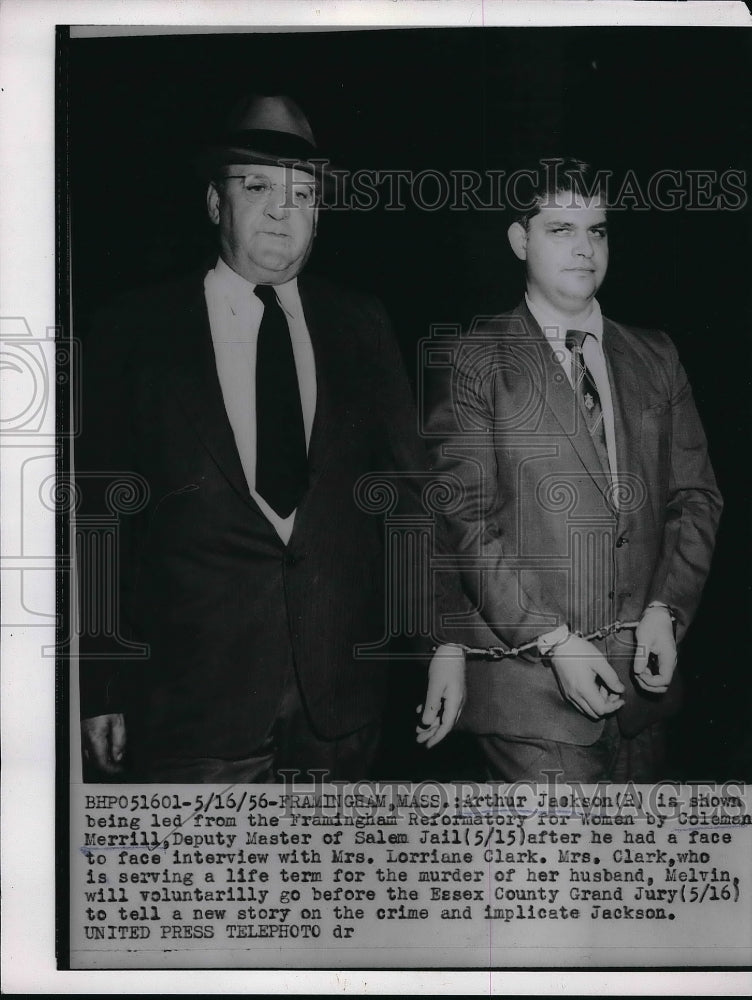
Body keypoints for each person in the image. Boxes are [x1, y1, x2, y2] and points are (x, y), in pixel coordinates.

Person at [78, 94, 464, 782]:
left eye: (304, 193)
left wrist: (440, 643)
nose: (284, 211)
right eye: (257, 187)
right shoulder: (133, 332)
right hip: (192, 708)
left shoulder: (362, 326)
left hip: (339, 707)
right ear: (212, 204)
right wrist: (99, 684)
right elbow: (99, 520)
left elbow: (408, 498)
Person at [425, 158, 722, 782]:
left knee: (636, 879)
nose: (585, 249)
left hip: (644, 697)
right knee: (558, 881)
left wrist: (668, 610)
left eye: (598, 230)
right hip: (530, 700)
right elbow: (465, 523)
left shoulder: (656, 354)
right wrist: (554, 641)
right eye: (561, 230)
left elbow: (695, 499)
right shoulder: (476, 358)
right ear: (518, 241)